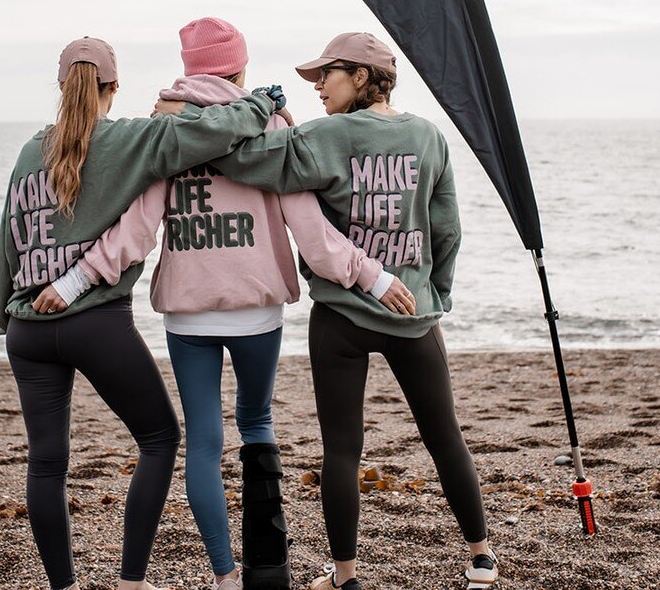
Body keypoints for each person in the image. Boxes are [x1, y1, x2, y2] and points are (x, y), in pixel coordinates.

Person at [47, 18, 412, 590]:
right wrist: (371, 276)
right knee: (257, 422)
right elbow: (311, 235)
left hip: (189, 314)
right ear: (238, 69)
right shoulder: (268, 125)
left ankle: (223, 575)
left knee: (204, 440)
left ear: (190, 69)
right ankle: (268, 572)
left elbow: (136, 231)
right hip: (257, 310)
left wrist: (71, 283)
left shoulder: (165, 130)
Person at [157, 32, 498, 590]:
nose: (317, 87)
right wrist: (437, 293)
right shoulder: (429, 137)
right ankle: (481, 556)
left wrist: (188, 113)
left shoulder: (324, 137)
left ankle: (345, 576)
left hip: (342, 315)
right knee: (444, 435)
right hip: (413, 312)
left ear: (361, 76)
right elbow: (447, 229)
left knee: (342, 447)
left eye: (327, 75)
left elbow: (239, 158)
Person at [0, 35, 283, 590]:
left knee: (47, 462)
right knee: (159, 439)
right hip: (94, 322)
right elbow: (215, 130)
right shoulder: (128, 140)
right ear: (113, 86)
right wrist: (263, 101)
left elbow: (8, 242)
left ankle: (64, 586)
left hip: (27, 329)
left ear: (61, 87)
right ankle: (130, 581)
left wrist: (8, 318)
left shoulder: (31, 151)